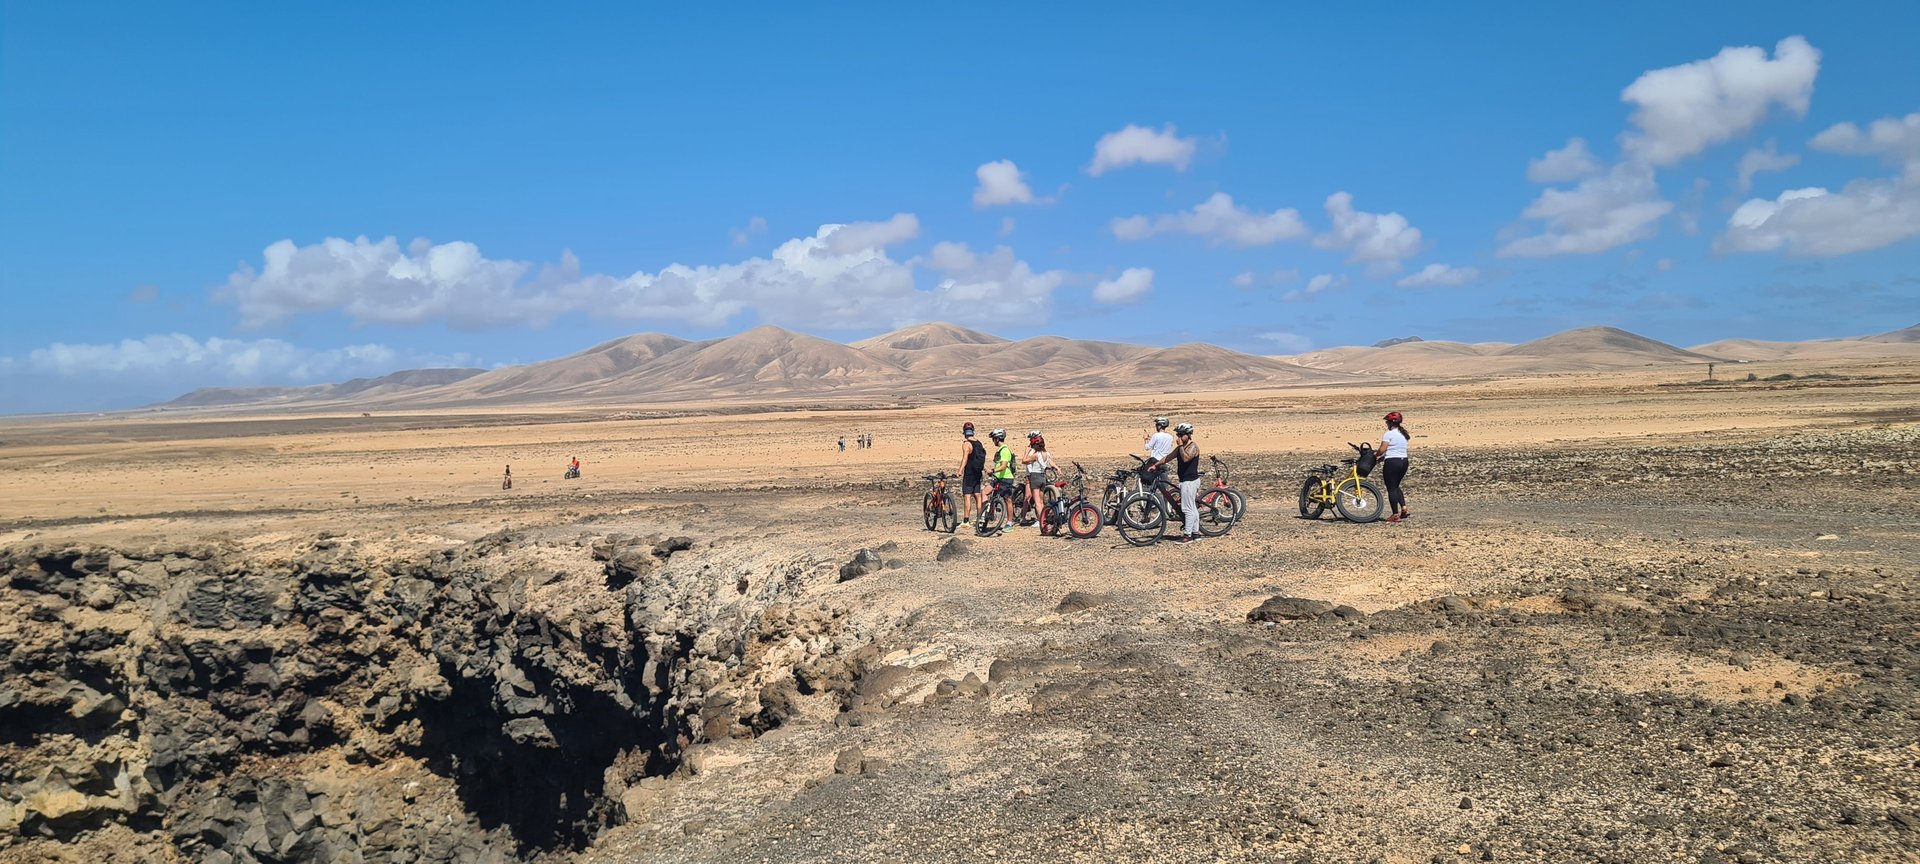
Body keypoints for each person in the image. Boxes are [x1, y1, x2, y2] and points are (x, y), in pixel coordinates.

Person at [1148, 423, 1201, 544]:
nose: (1179, 437)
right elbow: (1168, 457)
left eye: (1181, 435)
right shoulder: (1180, 448)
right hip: (1185, 481)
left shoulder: (1193, 447)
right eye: (1178, 434)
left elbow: (1186, 458)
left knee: (1187, 509)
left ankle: (1187, 536)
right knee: (1192, 508)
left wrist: (1181, 446)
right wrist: (1155, 465)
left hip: (1190, 481)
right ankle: (1196, 533)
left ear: (1188, 435)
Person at [979, 428, 1016, 529]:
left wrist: (993, 470)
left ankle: (1009, 523)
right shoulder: (1000, 450)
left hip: (1006, 478)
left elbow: (1003, 466)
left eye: (994, 439)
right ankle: (985, 514)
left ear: (997, 439)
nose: (993, 441)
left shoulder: (1005, 450)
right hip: (998, 478)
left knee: (1007, 499)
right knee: (985, 492)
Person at [1378, 411, 1411, 522]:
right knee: (1396, 485)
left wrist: (1375, 455)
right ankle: (1404, 508)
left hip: (1392, 463)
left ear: (1391, 423)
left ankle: (1395, 514)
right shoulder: (1403, 434)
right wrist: (1383, 457)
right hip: (1404, 462)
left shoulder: (1389, 434)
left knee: (1391, 488)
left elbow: (1382, 449)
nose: (1386, 424)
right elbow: (1396, 449)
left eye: (1387, 422)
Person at [1019, 431, 1056, 528]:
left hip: (1034, 477)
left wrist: (1026, 451)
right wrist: (1057, 468)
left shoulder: (1035, 454)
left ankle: (1041, 520)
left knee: (1037, 502)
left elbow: (1024, 461)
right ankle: (1043, 518)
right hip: (1043, 477)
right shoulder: (1046, 453)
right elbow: (1050, 462)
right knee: (1041, 500)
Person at [957, 422, 986, 524]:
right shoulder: (979, 443)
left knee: (967, 496)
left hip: (969, 473)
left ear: (964, 432)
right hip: (978, 472)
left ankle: (966, 520)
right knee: (977, 495)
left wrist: (960, 470)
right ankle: (980, 518)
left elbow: (965, 459)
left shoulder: (966, 444)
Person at [1143, 416, 1175, 492]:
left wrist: (1145, 440)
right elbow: (1161, 443)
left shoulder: (1156, 435)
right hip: (1164, 462)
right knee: (1165, 487)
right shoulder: (1170, 437)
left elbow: (1148, 447)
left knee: (1149, 483)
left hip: (1155, 462)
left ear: (1160, 426)